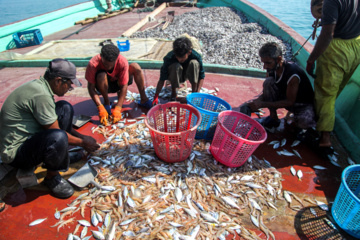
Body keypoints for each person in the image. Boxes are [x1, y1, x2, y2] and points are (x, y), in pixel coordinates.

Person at [0, 58, 100, 199]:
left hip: (30, 137)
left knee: (65, 108)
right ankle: (52, 177)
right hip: (16, 153)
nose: (69, 88)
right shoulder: (40, 95)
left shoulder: (41, 86)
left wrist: (82, 137)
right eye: (69, 85)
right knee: (58, 138)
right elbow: (57, 133)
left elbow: (53, 125)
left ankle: (60, 157)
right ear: (58, 80)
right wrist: (83, 143)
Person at [306, 0, 360, 155]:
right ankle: (322, 121)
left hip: (336, 50)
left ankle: (324, 140)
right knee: (336, 90)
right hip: (356, 46)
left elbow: (328, 34)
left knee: (326, 95)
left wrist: (312, 58)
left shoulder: (332, 1)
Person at [239, 42, 316, 132]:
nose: (264, 67)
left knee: (304, 123)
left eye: (268, 63)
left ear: (279, 59)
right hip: (286, 97)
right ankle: (274, 118)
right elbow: (267, 92)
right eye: (263, 63)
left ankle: (297, 117)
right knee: (268, 83)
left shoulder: (293, 74)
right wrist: (258, 101)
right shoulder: (272, 69)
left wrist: (262, 104)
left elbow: (290, 101)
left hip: (301, 103)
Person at [85, 44, 151, 126]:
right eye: (106, 64)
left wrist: (118, 108)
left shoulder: (122, 61)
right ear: (101, 56)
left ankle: (143, 99)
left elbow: (124, 86)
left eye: (111, 65)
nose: (109, 67)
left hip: (118, 82)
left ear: (117, 58)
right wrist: (100, 107)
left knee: (135, 66)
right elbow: (91, 87)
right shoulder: (93, 64)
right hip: (103, 84)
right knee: (101, 75)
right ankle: (107, 102)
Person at [152, 37, 205, 105]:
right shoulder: (169, 57)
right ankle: (173, 94)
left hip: (186, 75)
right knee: (175, 66)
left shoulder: (196, 56)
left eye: (182, 57)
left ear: (189, 52)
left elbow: (201, 75)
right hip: (173, 75)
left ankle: (193, 94)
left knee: (194, 63)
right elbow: (162, 78)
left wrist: (197, 92)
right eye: (178, 57)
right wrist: (156, 96)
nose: (180, 59)